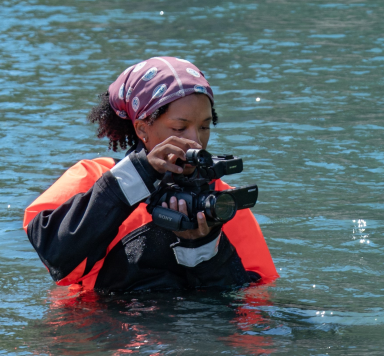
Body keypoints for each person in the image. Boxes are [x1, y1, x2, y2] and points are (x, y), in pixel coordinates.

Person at [23, 56, 278, 293]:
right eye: (180, 127)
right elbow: (56, 256)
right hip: (104, 328)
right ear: (142, 129)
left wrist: (204, 248)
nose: (196, 141)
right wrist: (138, 174)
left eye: (204, 127)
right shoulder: (93, 177)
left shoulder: (219, 199)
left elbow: (252, 299)